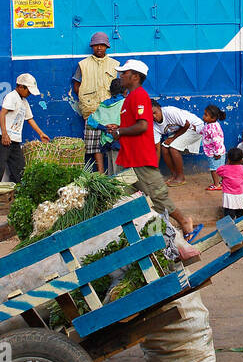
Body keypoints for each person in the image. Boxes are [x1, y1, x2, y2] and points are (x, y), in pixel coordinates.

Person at [100, 60, 195, 237]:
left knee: (158, 196)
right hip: (128, 159)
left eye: (124, 73)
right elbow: (132, 124)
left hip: (140, 159)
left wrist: (120, 131)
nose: (120, 76)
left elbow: (143, 125)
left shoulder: (140, 96)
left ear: (135, 77)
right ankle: (135, 235)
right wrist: (118, 128)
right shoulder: (130, 98)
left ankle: (183, 221)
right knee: (123, 198)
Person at [0, 74, 49, 184]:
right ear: (21, 87)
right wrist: (4, 135)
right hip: (3, 135)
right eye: (28, 91)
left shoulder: (24, 101)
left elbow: (30, 119)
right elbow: (2, 115)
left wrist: (41, 133)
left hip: (14, 138)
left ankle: (19, 191)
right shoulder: (12, 97)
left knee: (19, 167)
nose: (29, 94)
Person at [72, 33, 119, 173]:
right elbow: (76, 85)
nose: (99, 48)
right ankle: (100, 172)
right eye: (96, 45)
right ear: (92, 47)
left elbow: (118, 86)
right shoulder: (83, 64)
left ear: (106, 47)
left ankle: (114, 172)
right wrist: (85, 100)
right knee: (94, 144)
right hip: (90, 109)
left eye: (102, 45)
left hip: (110, 110)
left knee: (112, 140)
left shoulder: (114, 65)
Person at [153, 102, 204, 185]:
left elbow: (187, 124)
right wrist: (154, 169)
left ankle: (181, 178)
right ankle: (174, 175)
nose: (154, 117)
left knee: (173, 148)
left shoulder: (170, 112)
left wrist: (173, 138)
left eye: (155, 113)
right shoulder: (154, 125)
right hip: (182, 131)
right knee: (164, 148)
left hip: (195, 128)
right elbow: (157, 148)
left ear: (159, 108)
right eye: (151, 115)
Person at [86, 77, 126, 174]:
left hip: (106, 141)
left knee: (112, 167)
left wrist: (104, 127)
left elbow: (90, 121)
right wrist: (118, 126)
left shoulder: (103, 105)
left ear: (110, 91)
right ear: (125, 91)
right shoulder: (126, 102)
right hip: (120, 140)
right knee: (121, 171)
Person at [215, 148, 243, 219]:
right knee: (240, 215)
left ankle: (228, 229)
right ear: (242, 160)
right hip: (240, 195)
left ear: (228, 159)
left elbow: (218, 171)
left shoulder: (224, 169)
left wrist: (228, 164)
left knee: (228, 216)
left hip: (228, 196)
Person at [201, 105, 227, 191]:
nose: (203, 116)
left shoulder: (212, 128)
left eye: (206, 115)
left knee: (214, 169)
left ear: (213, 118)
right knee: (220, 168)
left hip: (214, 153)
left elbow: (217, 141)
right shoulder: (210, 124)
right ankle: (223, 183)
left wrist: (217, 153)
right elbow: (205, 131)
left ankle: (217, 184)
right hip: (216, 151)